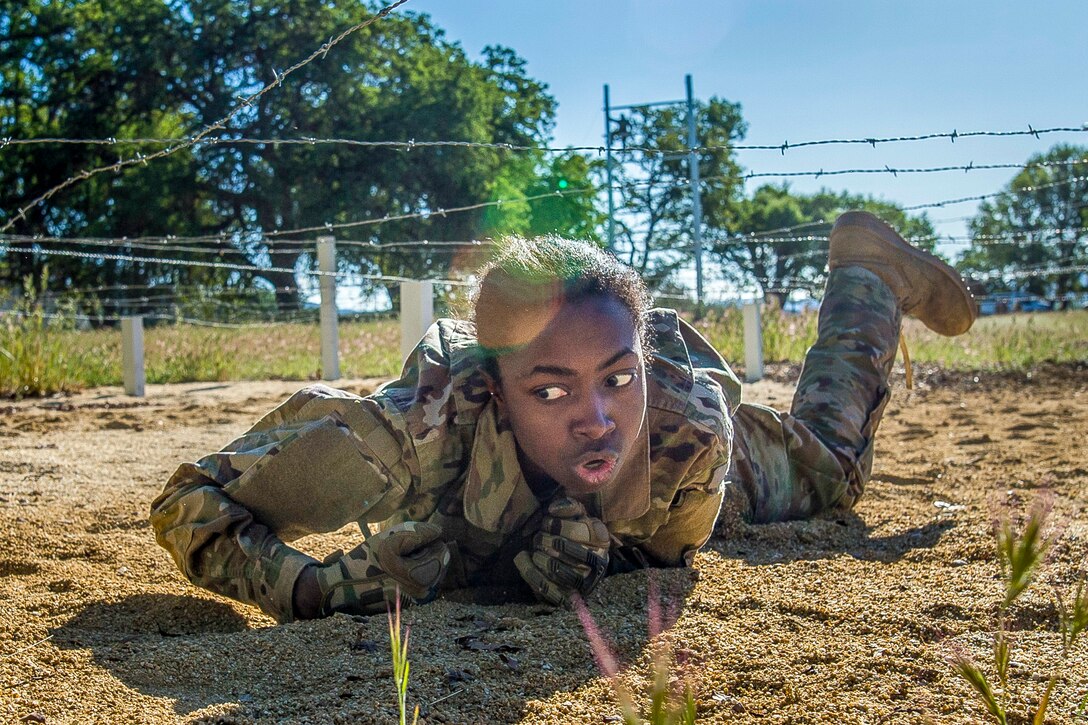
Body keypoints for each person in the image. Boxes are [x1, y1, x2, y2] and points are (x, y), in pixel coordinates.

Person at [150, 211, 976, 622]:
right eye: (550, 390)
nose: (596, 420)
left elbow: (666, 552)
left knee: (832, 473)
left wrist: (566, 561)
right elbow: (190, 503)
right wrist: (310, 588)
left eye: (615, 379)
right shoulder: (412, 431)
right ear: (494, 388)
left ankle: (866, 273)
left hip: (708, 474)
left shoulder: (684, 436)